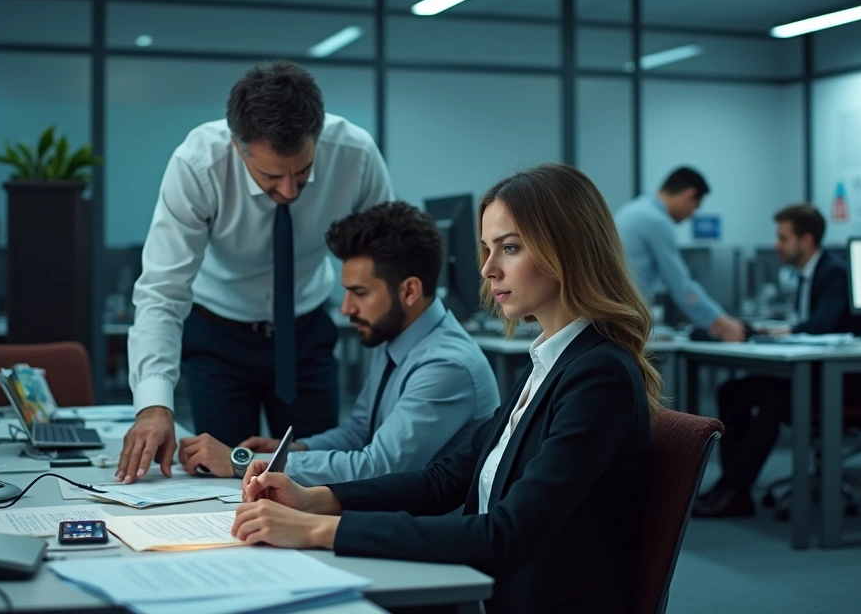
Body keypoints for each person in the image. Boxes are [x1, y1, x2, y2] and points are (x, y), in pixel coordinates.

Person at [230, 164, 663, 614]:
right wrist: (319, 499)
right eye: (486, 249)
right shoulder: (547, 364)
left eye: (509, 248)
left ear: (567, 250)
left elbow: (506, 534)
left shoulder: (598, 376)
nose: (488, 269)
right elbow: (445, 480)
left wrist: (318, 530)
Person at [118, 60, 394, 484]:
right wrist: (154, 405)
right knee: (220, 481)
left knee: (320, 477)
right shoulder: (197, 164)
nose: (287, 191)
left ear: (317, 137)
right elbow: (162, 291)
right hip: (219, 337)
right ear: (236, 145)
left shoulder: (355, 155)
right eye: (270, 175)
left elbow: (387, 261)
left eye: (302, 173)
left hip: (305, 334)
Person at [177, 202, 500, 485]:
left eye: (359, 293)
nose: (346, 309)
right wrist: (286, 452)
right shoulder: (398, 339)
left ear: (410, 291)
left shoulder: (445, 366)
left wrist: (242, 463)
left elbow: (379, 466)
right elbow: (358, 433)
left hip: (427, 536)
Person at [694, 204, 861, 518]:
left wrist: (770, 331)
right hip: (811, 372)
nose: (776, 245)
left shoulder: (834, 273)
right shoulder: (807, 275)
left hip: (839, 382)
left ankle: (736, 490)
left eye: (783, 238)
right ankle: (731, 486)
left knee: (772, 399)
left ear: (806, 240)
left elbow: (820, 326)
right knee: (731, 393)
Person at [615, 166, 746, 342]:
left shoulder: (633, 210)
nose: (692, 215)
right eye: (695, 207)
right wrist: (722, 323)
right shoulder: (656, 220)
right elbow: (682, 287)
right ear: (689, 195)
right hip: (623, 321)